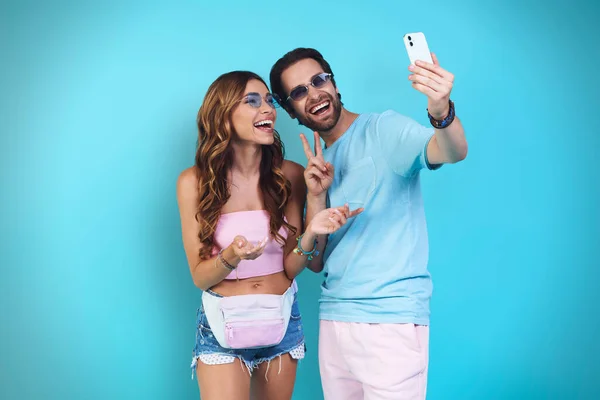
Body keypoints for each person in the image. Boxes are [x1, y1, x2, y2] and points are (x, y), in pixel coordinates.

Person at [269, 48, 468, 399]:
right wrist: (316, 196)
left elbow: (451, 151)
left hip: (389, 319)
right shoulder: (318, 164)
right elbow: (315, 262)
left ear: (334, 82)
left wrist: (441, 111)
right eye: (299, 92)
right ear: (290, 111)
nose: (314, 94)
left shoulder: (382, 129)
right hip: (334, 319)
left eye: (319, 80)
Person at [176, 70, 362, 400]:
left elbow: (291, 267)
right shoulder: (194, 182)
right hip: (223, 323)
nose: (267, 109)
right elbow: (199, 276)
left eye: (269, 100)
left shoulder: (290, 175)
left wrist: (311, 231)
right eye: (252, 102)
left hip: (281, 319)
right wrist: (232, 255)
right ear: (223, 115)